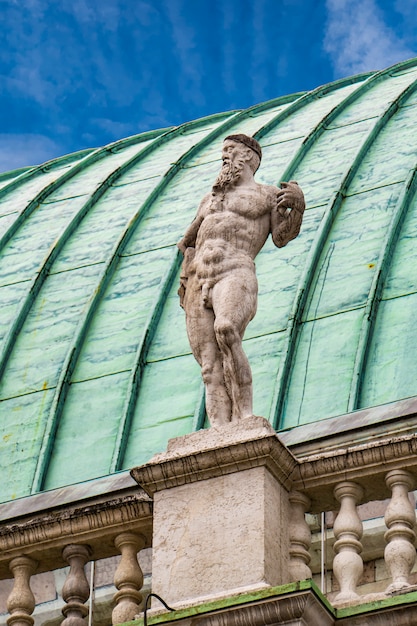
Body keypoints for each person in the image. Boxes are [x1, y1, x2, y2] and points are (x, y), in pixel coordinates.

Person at [177, 134, 305, 427]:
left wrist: (297, 207)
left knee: (226, 329)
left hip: (235, 268)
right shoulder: (209, 199)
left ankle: (244, 415)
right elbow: (187, 241)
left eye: (230, 151)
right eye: (223, 152)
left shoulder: (267, 195)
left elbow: (281, 237)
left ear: (248, 157)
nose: (224, 157)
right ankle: (220, 429)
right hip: (199, 277)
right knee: (209, 365)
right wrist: (189, 264)